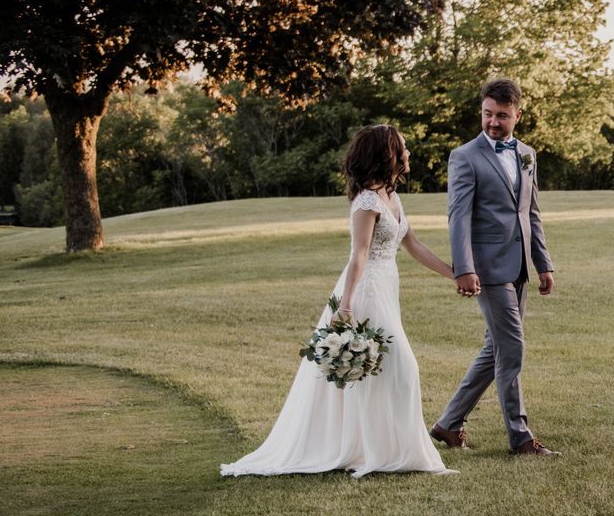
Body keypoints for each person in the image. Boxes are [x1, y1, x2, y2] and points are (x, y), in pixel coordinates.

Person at [221, 125, 455, 478]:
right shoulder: (366, 201)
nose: (409, 154)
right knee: (403, 368)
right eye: (403, 148)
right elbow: (358, 255)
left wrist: (455, 274)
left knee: (381, 372)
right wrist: (345, 306)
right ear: (388, 154)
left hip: (387, 288)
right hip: (365, 291)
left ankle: (376, 449)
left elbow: (414, 246)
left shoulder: (392, 197)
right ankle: (392, 452)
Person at [431, 78, 560, 456]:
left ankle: (449, 424)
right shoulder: (465, 156)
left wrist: (543, 263)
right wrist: (463, 268)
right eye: (488, 114)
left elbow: (531, 212)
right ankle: (520, 438)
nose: (493, 122)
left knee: (496, 349)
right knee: (513, 348)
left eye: (502, 116)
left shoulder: (527, 154)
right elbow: (458, 217)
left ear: (518, 115)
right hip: (486, 268)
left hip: (518, 266)